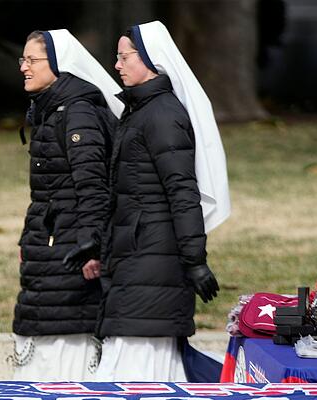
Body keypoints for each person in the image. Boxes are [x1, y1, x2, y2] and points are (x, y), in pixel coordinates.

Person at [76, 21, 228, 381]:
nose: (117, 65)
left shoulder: (162, 116)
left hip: (153, 260)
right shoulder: (141, 111)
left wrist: (195, 262)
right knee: (132, 362)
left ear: (151, 60)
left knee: (142, 367)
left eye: (124, 56)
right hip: (138, 257)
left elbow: (182, 191)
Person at [10, 29, 122, 381]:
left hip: (71, 248)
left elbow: (92, 186)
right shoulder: (51, 110)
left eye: (32, 61)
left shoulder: (77, 113)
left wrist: (93, 246)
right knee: (46, 321)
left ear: (58, 64)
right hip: (51, 243)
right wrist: (29, 240)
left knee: (66, 331)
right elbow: (48, 192)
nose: (24, 68)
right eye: (22, 60)